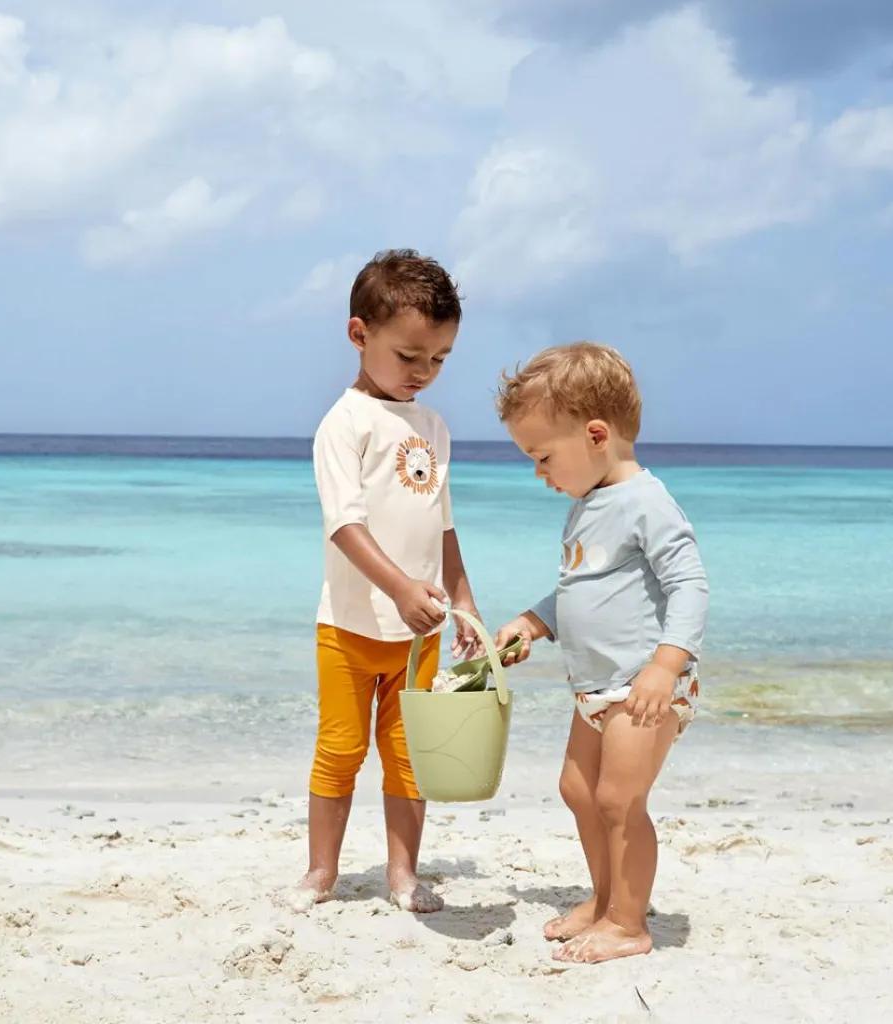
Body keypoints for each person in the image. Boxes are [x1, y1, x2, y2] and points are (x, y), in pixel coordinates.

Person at [493, 341, 709, 963]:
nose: (540, 473)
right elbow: (582, 586)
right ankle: (606, 897)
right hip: (594, 687)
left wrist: (665, 666)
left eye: (543, 457)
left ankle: (628, 924)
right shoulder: (589, 504)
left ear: (595, 436)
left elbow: (689, 584)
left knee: (619, 800)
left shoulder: (646, 501)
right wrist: (535, 621)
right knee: (578, 790)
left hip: (642, 687)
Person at [297, 249, 483, 914]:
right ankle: (321, 871)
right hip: (349, 629)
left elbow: (443, 524)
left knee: (409, 756)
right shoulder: (343, 424)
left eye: (439, 359)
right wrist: (402, 588)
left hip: (417, 636)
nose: (423, 372)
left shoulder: (433, 428)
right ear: (359, 334)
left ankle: (402, 872)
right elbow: (345, 526)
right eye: (409, 356)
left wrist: (462, 599)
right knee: (340, 750)